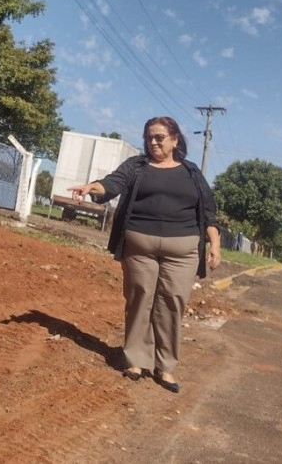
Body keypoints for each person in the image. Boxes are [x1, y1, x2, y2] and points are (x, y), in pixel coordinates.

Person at [68, 116, 221, 394]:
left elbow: (209, 213)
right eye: (149, 137)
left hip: (183, 252)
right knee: (139, 298)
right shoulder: (136, 166)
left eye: (159, 137)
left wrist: (215, 246)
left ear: (175, 139)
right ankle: (136, 360)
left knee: (172, 302)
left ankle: (165, 365)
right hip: (139, 248)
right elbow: (112, 183)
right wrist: (92, 187)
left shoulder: (191, 172)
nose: (153, 142)